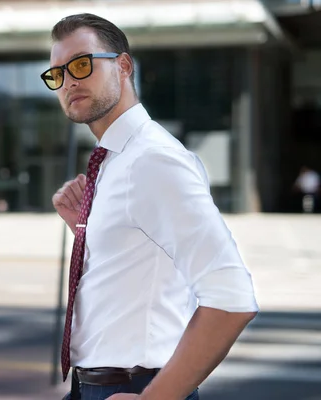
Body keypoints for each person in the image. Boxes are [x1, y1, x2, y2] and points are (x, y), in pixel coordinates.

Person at [41, 13, 259, 400]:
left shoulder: (152, 160)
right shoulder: (112, 160)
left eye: (81, 64)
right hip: (92, 385)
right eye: (57, 74)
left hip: (138, 386)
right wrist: (86, 231)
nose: (69, 81)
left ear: (123, 66)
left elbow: (231, 296)